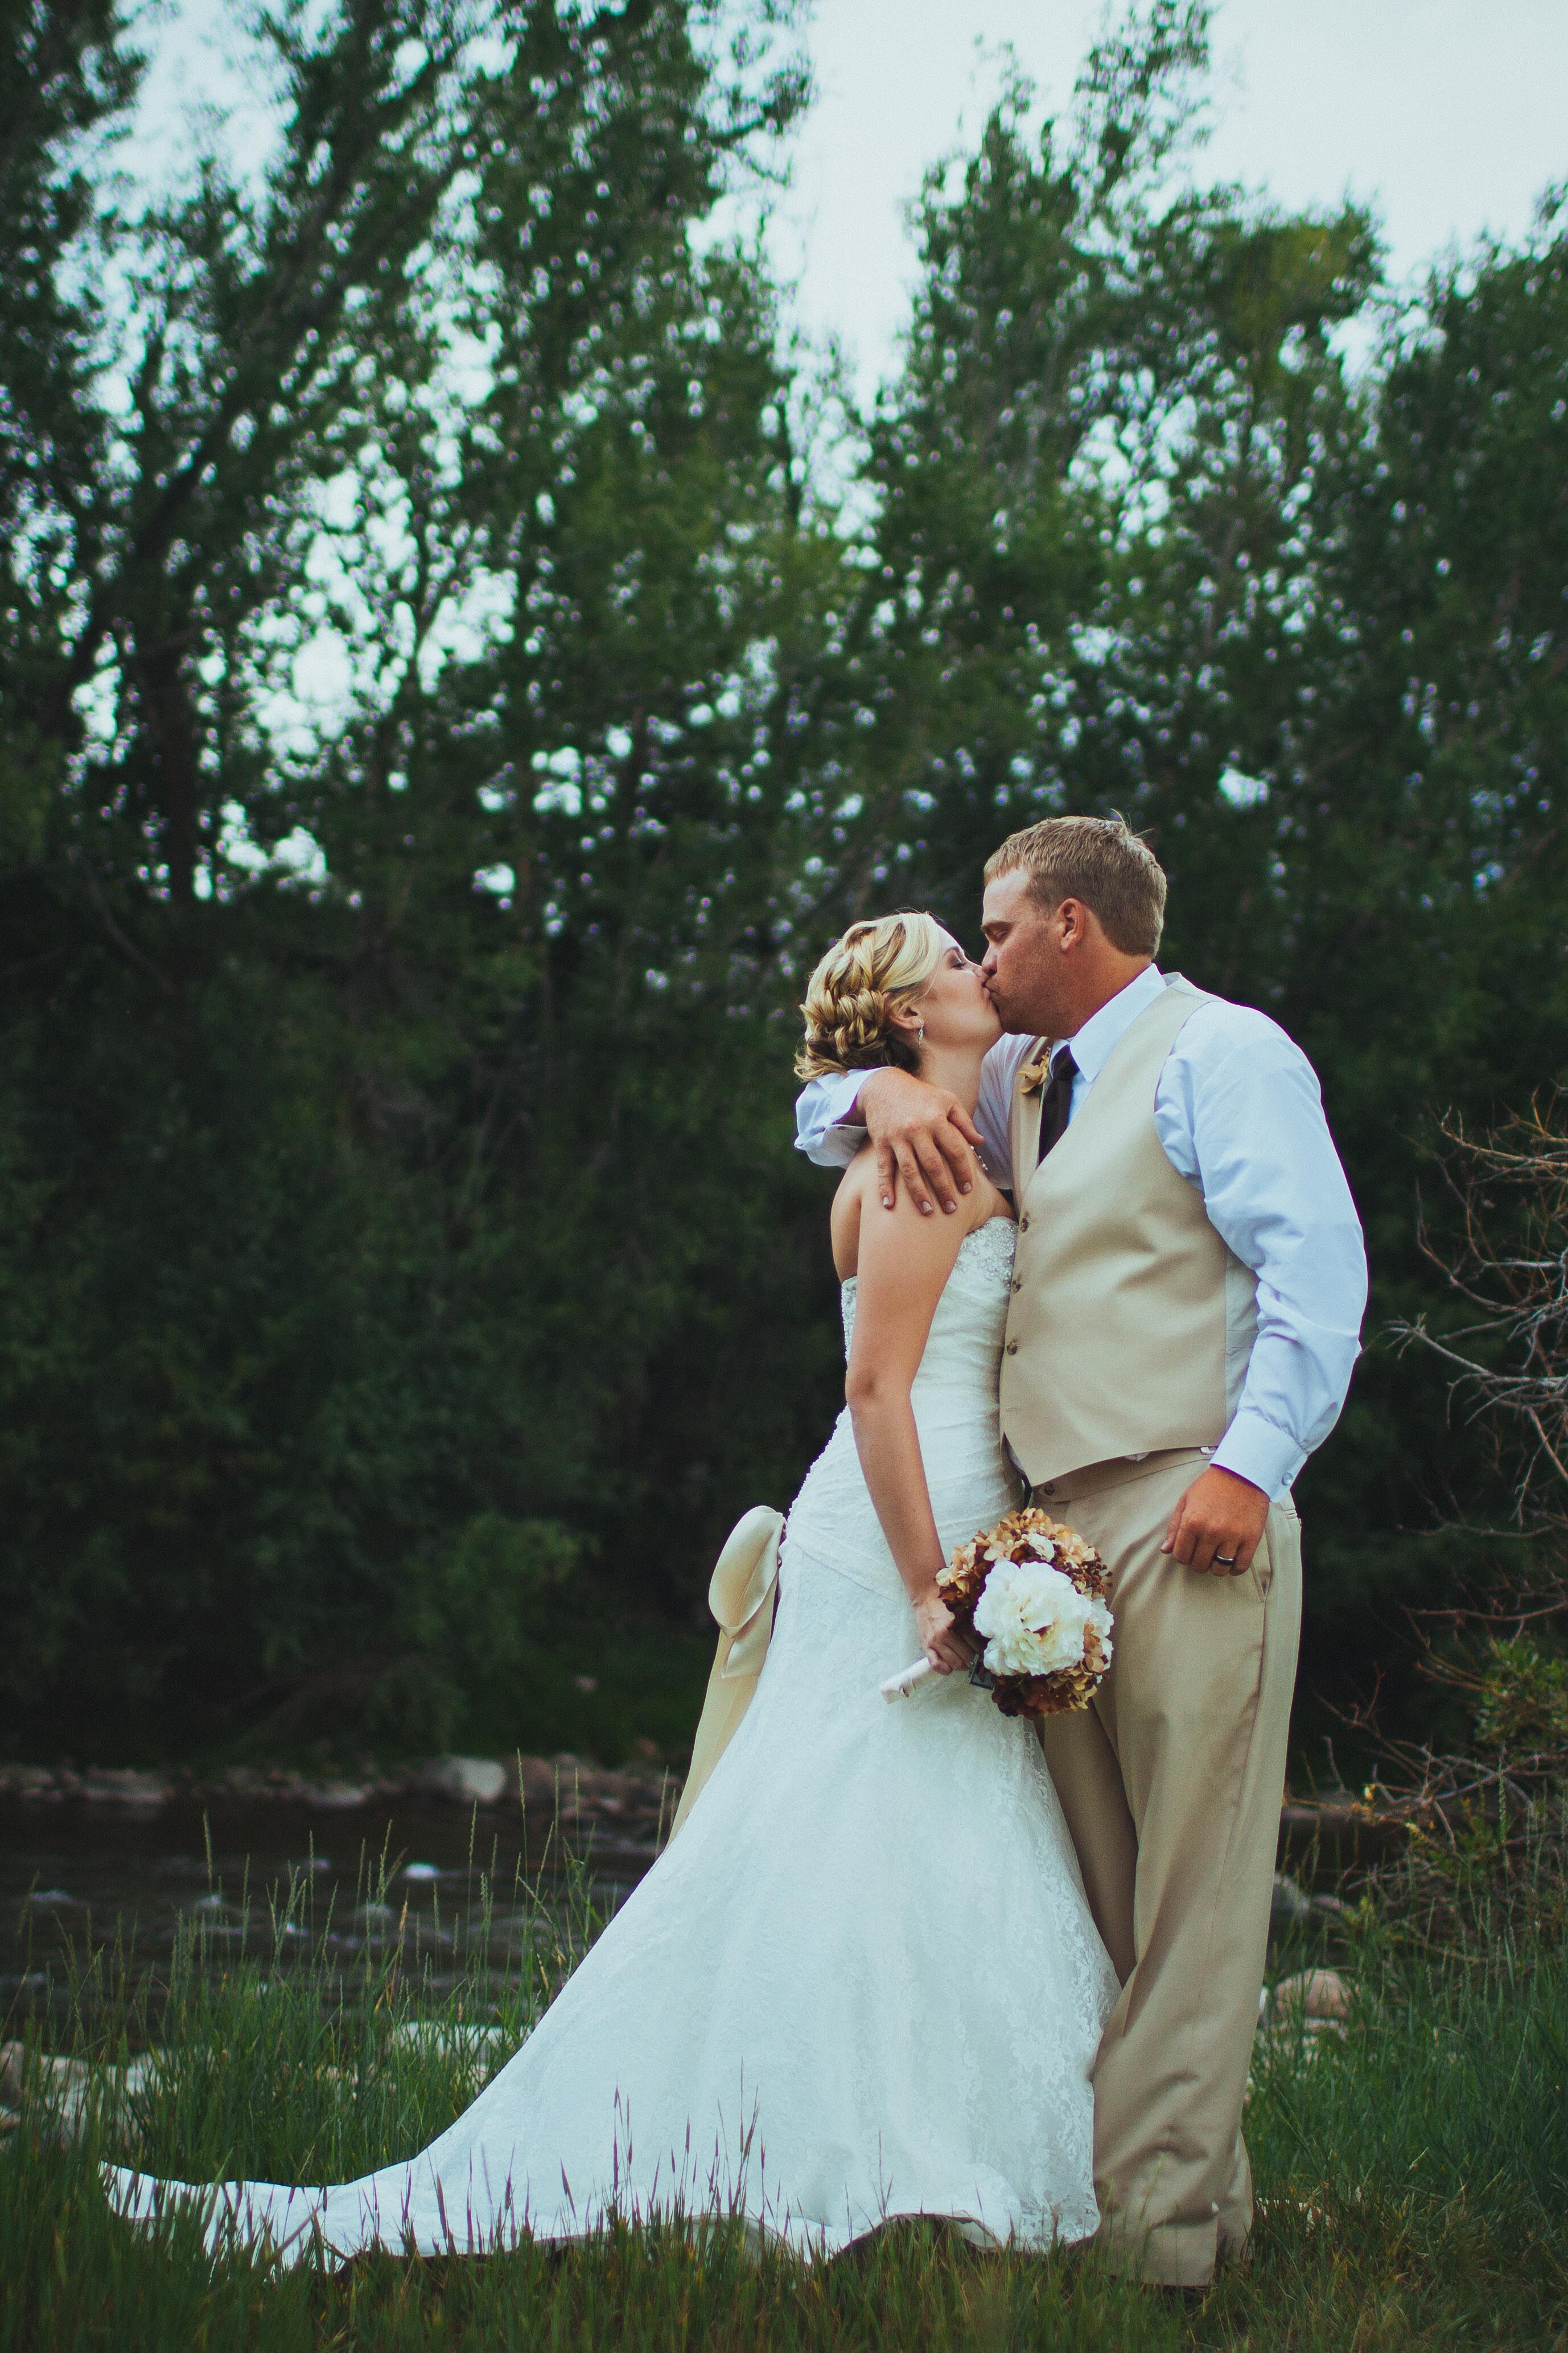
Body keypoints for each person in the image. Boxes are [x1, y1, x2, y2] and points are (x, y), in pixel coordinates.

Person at [107, 911, 1117, 2266]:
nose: (974, 971)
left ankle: (907, 2151)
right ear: (903, 1017)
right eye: (948, 961)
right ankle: (816, 2153)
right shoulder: (909, 1170)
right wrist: (935, 1583)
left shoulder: (954, 1117)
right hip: (900, 1525)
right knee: (840, 1835)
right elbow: (874, 1388)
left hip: (958, 1514)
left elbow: (841, 1106)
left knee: (908, 1838)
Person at [795, 816, 1368, 2290]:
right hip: (1038, 1541)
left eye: (993, 927)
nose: (979, 956)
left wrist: (1248, 1465)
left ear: (1065, 921)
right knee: (1110, 1898)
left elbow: (1319, 1271)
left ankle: (1157, 2258)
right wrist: (865, 1078)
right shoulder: (1011, 1073)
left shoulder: (1219, 1051)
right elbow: (834, 1105)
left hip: (1188, 1503)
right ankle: (1205, 2215)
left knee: (1193, 1896)